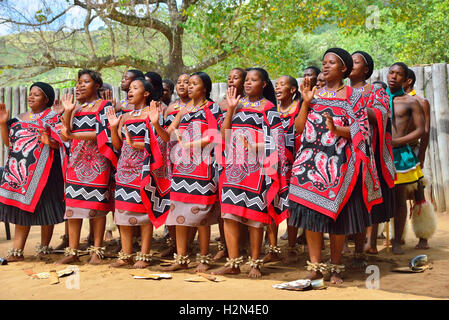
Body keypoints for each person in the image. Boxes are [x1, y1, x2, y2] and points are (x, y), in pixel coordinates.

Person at [289, 48, 379, 285]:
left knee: (338, 219)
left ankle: (336, 267)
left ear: (344, 69)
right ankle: (316, 266)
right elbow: (298, 129)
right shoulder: (312, 94)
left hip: (340, 165)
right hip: (309, 163)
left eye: (331, 63)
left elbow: (362, 131)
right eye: (324, 62)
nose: (325, 66)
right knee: (310, 216)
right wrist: (306, 104)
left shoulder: (353, 96)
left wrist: (337, 130)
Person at [212, 68, 288, 278]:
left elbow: (278, 141)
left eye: (253, 80)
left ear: (263, 84)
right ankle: (233, 263)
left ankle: (255, 262)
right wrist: (231, 110)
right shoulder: (235, 104)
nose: (247, 83)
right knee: (229, 215)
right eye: (246, 80)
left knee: (256, 218)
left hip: (258, 171)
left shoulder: (269, 108)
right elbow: (224, 135)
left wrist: (255, 146)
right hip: (233, 168)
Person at [161, 72, 223, 273]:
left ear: (204, 88)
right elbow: (167, 136)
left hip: (203, 167)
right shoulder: (183, 109)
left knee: (201, 216)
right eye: (188, 84)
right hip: (181, 168)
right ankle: (181, 258)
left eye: (194, 84)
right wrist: (155, 123)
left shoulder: (211, 107)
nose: (189, 87)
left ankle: (204, 258)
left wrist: (190, 144)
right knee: (178, 213)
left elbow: (216, 135)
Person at [0, 82, 65, 262]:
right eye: (30, 94)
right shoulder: (19, 119)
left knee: (47, 210)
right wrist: (3, 124)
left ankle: (44, 248)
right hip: (21, 175)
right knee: (21, 210)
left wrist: (49, 141)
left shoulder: (54, 117)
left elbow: (61, 143)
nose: (31, 97)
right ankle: (17, 251)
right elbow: (9, 144)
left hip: (47, 173)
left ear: (46, 99)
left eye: (36, 95)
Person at [55, 69, 114, 265]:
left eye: (85, 82)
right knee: (73, 207)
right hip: (76, 162)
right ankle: (73, 251)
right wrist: (69, 111)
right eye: (79, 82)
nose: (80, 85)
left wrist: (72, 136)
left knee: (96, 207)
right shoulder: (77, 108)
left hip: (98, 162)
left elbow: (102, 135)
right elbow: (64, 133)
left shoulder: (105, 106)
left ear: (97, 85)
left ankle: (97, 250)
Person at [107, 78, 166, 268]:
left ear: (146, 93)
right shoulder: (124, 116)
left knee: (144, 211)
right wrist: (113, 127)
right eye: (129, 89)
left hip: (144, 168)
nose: (130, 91)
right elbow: (117, 145)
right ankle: (126, 254)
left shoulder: (153, 113)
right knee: (123, 210)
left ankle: (144, 255)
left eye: (135, 88)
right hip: (124, 168)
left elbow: (159, 144)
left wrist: (135, 144)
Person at [349, 51, 395, 261]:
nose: (351, 64)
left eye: (356, 62)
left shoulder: (375, 90)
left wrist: (352, 107)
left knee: (367, 197)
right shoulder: (339, 90)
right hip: (344, 152)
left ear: (366, 69)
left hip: (370, 152)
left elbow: (382, 114)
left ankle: (367, 243)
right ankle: (353, 244)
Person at [386, 62, 425, 255]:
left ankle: (397, 240)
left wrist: (399, 141)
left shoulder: (411, 102)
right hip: (379, 153)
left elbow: (420, 130)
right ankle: (368, 241)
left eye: (398, 74)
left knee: (399, 199)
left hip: (401, 156)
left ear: (405, 79)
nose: (393, 76)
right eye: (391, 72)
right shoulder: (377, 99)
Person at [264, 75, 301, 264]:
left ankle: (292, 247)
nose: (277, 88)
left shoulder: (300, 109)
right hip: (274, 163)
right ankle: (273, 248)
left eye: (282, 85)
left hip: (296, 163)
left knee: (292, 206)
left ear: (293, 90)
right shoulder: (271, 109)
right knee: (271, 201)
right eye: (276, 85)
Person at [215, 67, 248, 262]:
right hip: (224, 157)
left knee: (243, 205)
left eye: (236, 78)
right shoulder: (222, 103)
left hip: (247, 160)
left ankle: (243, 247)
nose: (231, 81)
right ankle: (226, 247)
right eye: (229, 78)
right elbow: (222, 133)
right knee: (225, 206)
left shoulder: (252, 104)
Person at [403, 68, 436, 250]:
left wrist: (421, 155)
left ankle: (423, 236)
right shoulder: (394, 100)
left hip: (414, 151)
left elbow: (425, 131)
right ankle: (398, 235)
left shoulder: (421, 102)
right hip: (397, 151)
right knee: (397, 194)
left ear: (408, 81)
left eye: (399, 76)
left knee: (418, 191)